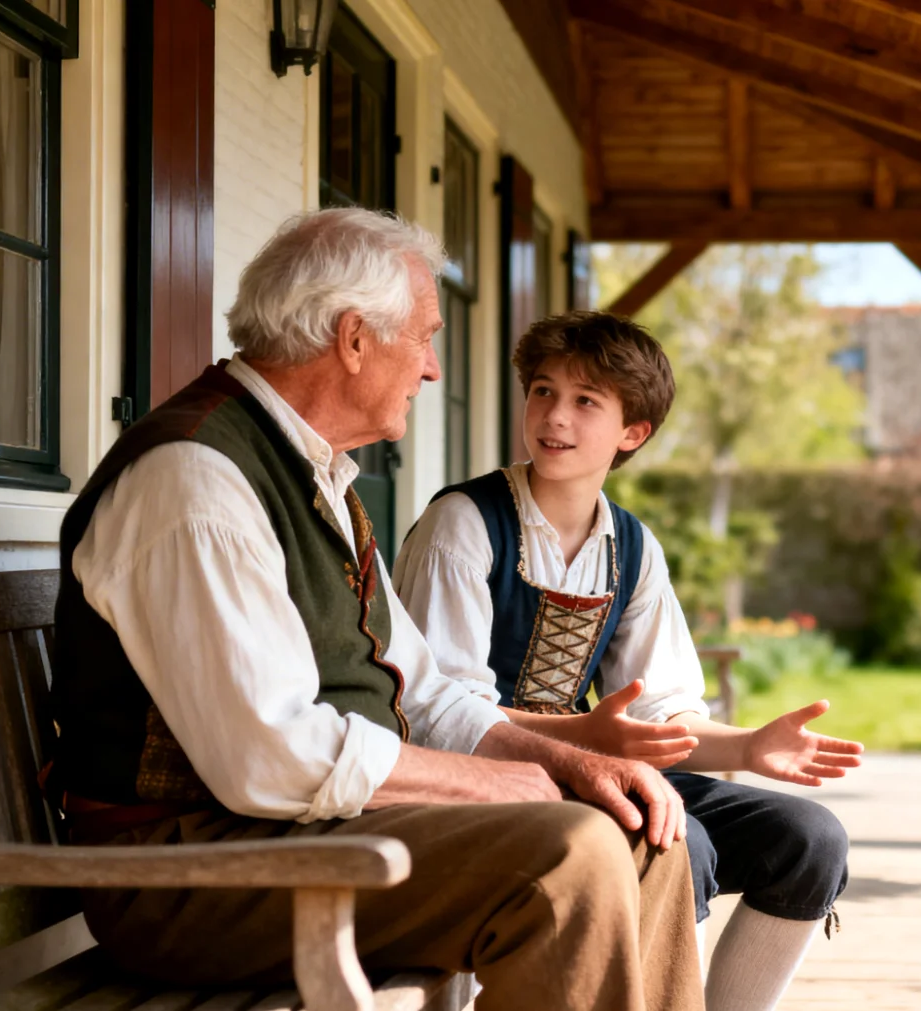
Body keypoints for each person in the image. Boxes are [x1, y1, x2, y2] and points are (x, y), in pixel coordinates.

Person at [48, 209, 701, 1011]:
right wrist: (485, 786)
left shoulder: (315, 474)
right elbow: (273, 754)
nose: (431, 369)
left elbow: (422, 691)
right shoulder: (196, 481)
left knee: (640, 829)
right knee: (568, 855)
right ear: (355, 339)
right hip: (185, 874)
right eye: (423, 337)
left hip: (304, 838)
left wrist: (570, 763)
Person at [393, 310, 864, 1011]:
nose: (555, 416)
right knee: (683, 841)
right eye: (543, 391)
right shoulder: (464, 523)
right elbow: (435, 713)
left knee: (810, 840)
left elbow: (652, 720)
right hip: (476, 773)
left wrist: (749, 745)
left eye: (586, 401)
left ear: (632, 432)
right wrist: (586, 740)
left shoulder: (632, 549)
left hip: (595, 765)